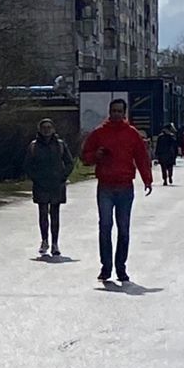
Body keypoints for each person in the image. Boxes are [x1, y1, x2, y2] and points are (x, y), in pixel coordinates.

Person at [81, 98, 153, 283]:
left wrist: (147, 179)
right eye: (113, 111)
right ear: (109, 112)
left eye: (119, 111)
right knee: (105, 227)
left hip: (125, 186)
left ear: (124, 113)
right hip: (105, 186)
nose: (116, 114)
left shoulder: (131, 134)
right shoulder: (99, 133)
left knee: (124, 229)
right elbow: (85, 156)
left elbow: (141, 157)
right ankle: (106, 267)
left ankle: (121, 268)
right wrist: (95, 156)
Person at [23, 118, 75, 256]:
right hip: (40, 184)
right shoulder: (34, 146)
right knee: (43, 214)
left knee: (55, 214)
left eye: (49, 127)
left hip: (56, 184)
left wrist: (63, 176)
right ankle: (44, 240)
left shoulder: (60, 145)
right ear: (39, 130)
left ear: (53, 129)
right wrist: (35, 178)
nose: (46, 130)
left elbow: (69, 162)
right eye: (44, 127)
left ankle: (55, 243)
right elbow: (27, 165)